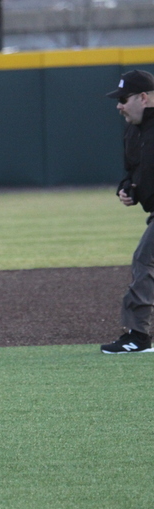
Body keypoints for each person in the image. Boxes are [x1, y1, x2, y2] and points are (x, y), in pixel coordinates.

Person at [101, 70, 154, 354]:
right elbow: (133, 170)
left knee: (144, 260)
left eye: (123, 99)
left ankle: (138, 336)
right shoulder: (133, 130)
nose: (118, 106)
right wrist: (127, 189)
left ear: (143, 98)